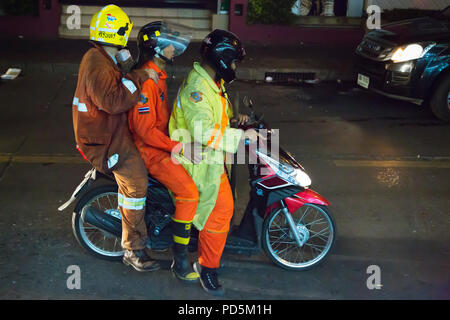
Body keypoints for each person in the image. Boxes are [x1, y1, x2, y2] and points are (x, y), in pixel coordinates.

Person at [169, 29, 258, 296]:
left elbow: (215, 118)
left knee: (220, 211)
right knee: (221, 213)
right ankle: (207, 267)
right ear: (222, 59)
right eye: (233, 62)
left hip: (213, 156)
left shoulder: (212, 82)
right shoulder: (198, 89)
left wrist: (235, 121)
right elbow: (203, 132)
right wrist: (242, 140)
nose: (234, 67)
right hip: (199, 161)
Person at [72, 4, 160, 272]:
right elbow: (113, 100)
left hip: (110, 130)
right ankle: (133, 249)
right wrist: (139, 75)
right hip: (105, 140)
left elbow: (117, 82)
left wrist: (125, 64)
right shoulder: (97, 63)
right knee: (136, 185)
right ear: (118, 33)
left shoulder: (101, 57)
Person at [128, 21, 203, 282]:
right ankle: (180, 260)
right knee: (189, 193)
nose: (174, 49)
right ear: (157, 49)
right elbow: (145, 131)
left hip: (162, 144)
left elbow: (163, 119)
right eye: (169, 45)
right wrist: (179, 146)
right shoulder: (148, 82)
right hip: (151, 152)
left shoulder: (157, 75)